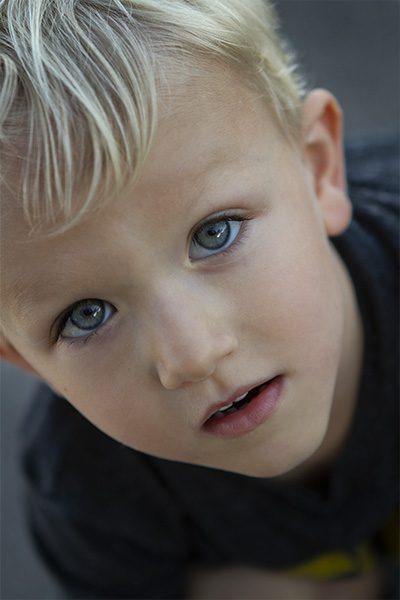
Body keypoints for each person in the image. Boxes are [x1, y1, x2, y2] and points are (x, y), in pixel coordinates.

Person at [0, 1, 398, 598]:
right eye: (87, 316)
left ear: (318, 170)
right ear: (26, 360)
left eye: (216, 234)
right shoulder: (90, 491)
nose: (191, 354)